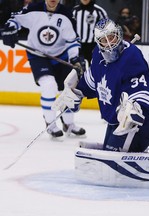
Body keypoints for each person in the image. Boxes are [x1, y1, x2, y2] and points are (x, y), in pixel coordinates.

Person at [52, 18, 149, 189]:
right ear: (98, 42)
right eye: (104, 39)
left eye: (112, 37)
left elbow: (145, 91)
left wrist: (133, 107)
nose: (109, 43)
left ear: (118, 34)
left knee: (116, 164)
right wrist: (74, 91)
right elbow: (92, 82)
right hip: (118, 121)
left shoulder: (132, 56)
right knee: (114, 154)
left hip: (145, 117)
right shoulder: (97, 55)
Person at [1, 0, 86, 138]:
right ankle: (50, 123)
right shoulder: (33, 8)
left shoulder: (66, 14)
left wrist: (75, 58)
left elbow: (72, 41)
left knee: (69, 88)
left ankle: (69, 123)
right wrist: (10, 28)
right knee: (49, 85)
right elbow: (16, 19)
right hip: (38, 55)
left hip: (61, 56)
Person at [72, 0, 108, 66]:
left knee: (93, 67)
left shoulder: (99, 11)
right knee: (77, 68)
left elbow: (106, 28)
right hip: (77, 45)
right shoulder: (74, 11)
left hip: (93, 45)